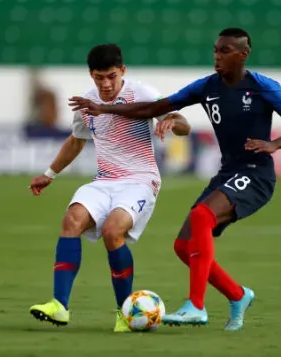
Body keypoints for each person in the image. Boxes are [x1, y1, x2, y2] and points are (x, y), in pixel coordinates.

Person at [68, 28, 281, 331]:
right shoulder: (206, 86)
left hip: (256, 174)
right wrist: (105, 108)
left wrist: (275, 145)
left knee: (201, 216)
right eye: (215, 50)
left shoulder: (264, 87)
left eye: (225, 51)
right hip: (228, 173)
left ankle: (196, 306)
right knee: (184, 247)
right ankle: (238, 295)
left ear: (243, 54)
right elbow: (155, 108)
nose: (217, 57)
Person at [29, 44, 190, 332]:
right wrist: (49, 173)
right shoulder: (87, 104)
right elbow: (76, 141)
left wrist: (172, 123)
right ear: (91, 75)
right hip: (105, 180)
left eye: (111, 77)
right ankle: (59, 306)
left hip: (141, 180)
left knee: (112, 231)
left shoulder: (143, 94)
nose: (105, 84)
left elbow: (183, 123)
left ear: (123, 72)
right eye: (99, 77)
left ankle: (124, 312)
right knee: (71, 221)